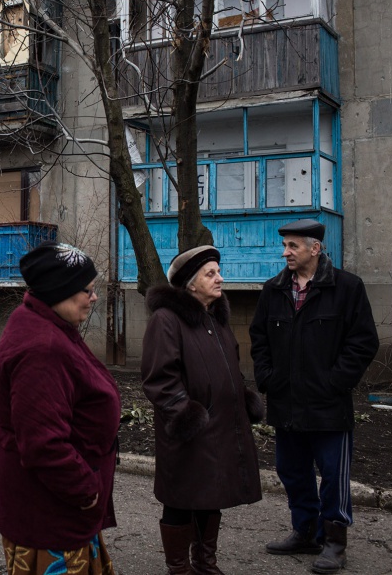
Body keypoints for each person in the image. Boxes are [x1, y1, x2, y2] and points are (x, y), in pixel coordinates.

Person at [250, 219, 379, 574]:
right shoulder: (273, 289)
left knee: (334, 476)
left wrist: (336, 382)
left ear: (315, 248)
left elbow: (364, 341)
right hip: (286, 402)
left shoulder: (347, 287)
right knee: (292, 471)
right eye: (285, 246)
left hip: (328, 405)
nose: (285, 252)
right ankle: (304, 531)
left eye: (293, 246)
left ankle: (334, 542)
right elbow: (259, 338)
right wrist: (267, 377)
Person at [0, 241, 121, 575]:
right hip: (52, 508)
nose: (94, 298)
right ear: (59, 290)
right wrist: (85, 489)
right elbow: (43, 444)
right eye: (87, 291)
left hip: (56, 504)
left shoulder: (47, 323)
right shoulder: (42, 348)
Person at [141, 245, 264, 575]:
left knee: (213, 495)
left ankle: (205, 563)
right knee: (181, 499)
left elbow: (232, 367)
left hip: (224, 425)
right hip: (189, 431)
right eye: (211, 273)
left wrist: (241, 398)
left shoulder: (216, 319)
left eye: (218, 271)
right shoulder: (166, 320)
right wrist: (187, 415)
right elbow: (159, 379)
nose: (220, 278)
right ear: (190, 284)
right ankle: (179, 568)